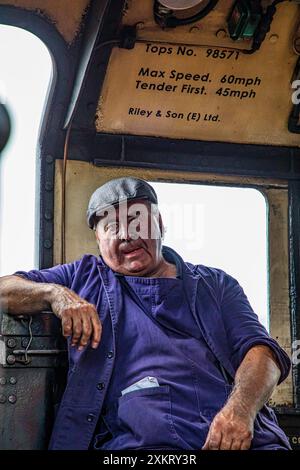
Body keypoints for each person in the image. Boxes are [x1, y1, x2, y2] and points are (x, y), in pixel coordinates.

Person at [0, 177, 291, 451]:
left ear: (160, 224)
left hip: (244, 441)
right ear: (99, 240)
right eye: (112, 227)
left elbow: (263, 354)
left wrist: (239, 412)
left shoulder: (216, 284)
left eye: (137, 221)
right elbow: (4, 290)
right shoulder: (82, 277)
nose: (127, 234)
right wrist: (55, 295)